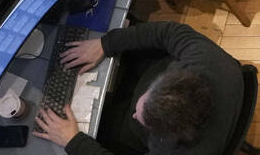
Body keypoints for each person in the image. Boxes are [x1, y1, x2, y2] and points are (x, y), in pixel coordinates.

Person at [32, 21, 243, 155]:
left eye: (142, 118)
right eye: (140, 108)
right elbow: (169, 32)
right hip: (153, 74)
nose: (135, 114)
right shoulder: (204, 58)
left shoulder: (180, 152)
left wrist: (73, 141)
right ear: (169, 79)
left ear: (166, 134)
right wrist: (106, 44)